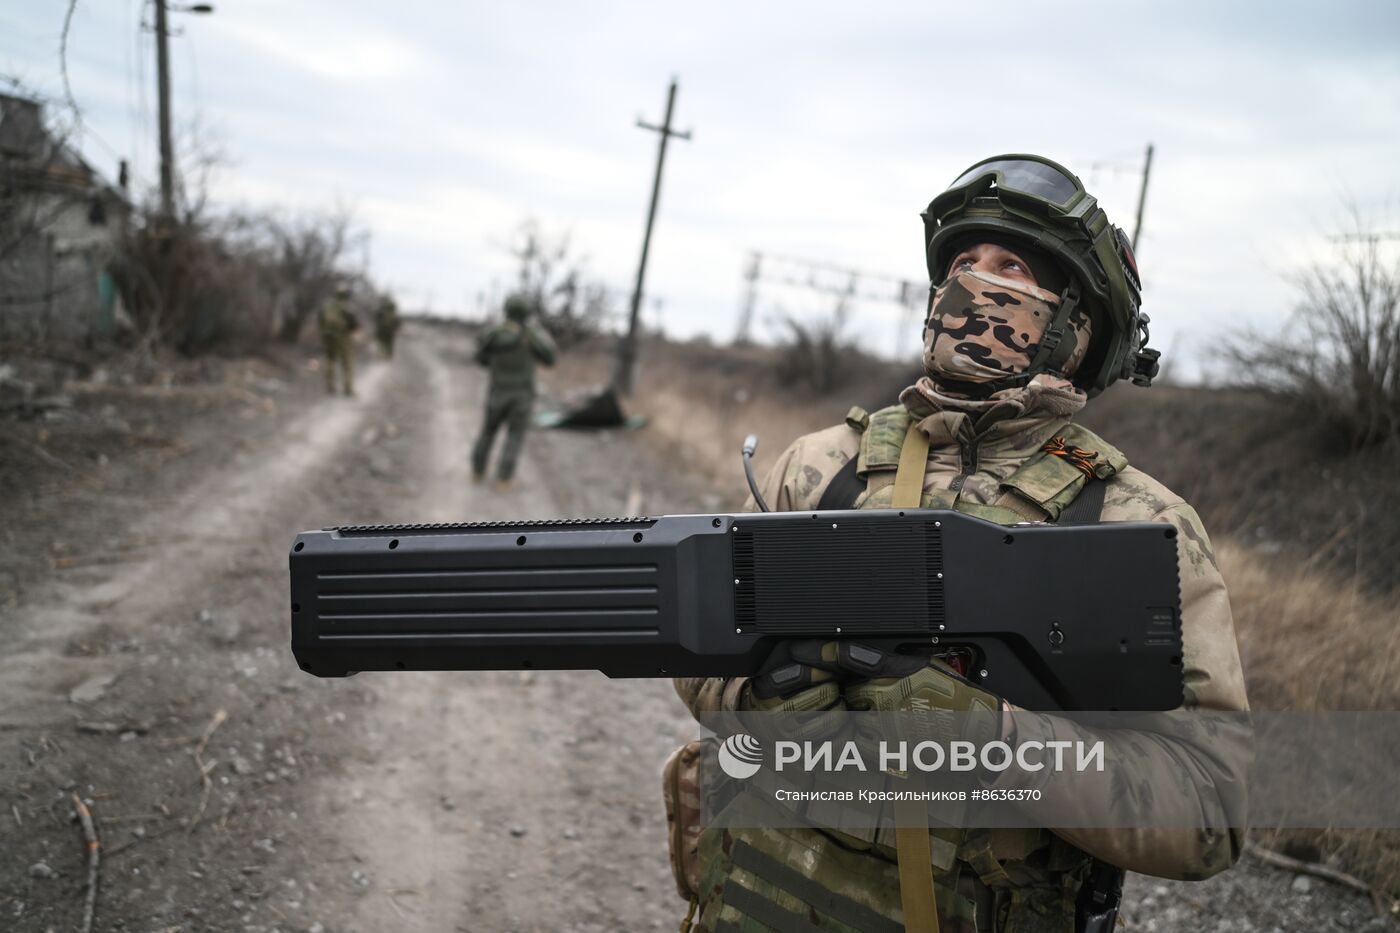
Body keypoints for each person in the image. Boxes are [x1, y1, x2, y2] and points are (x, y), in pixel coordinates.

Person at [671, 154, 1249, 932]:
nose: (973, 285)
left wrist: (990, 736)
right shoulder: (821, 467)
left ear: (1079, 326)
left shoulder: (1136, 524)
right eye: (961, 265)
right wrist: (765, 704)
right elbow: (697, 654)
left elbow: (1208, 809)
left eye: (1010, 266)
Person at [470, 293, 557, 490]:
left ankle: (477, 471)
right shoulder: (531, 335)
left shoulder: (494, 333)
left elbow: (481, 359)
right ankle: (504, 479)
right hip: (522, 396)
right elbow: (551, 359)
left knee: (487, 432)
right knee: (514, 437)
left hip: (497, 392)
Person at [317, 284, 358, 396]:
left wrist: (323, 334)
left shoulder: (327, 305)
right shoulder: (347, 306)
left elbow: (320, 320)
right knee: (347, 362)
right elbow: (353, 323)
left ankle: (330, 386)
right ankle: (348, 388)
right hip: (343, 337)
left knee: (330, 360)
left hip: (328, 336)